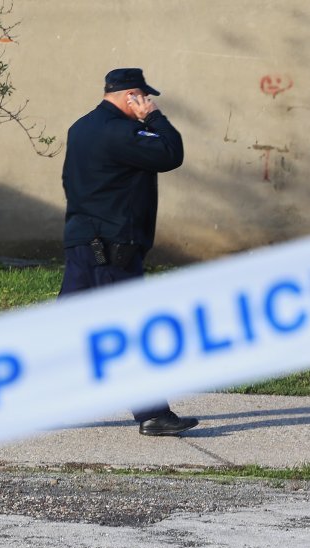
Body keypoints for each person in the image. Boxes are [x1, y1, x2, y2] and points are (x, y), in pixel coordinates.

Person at [58, 68, 199, 436]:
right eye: (144, 97)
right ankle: (152, 413)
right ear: (131, 95)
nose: (148, 104)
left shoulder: (81, 127)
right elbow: (172, 152)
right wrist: (153, 117)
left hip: (82, 242)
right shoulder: (121, 131)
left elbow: (69, 181)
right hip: (112, 248)